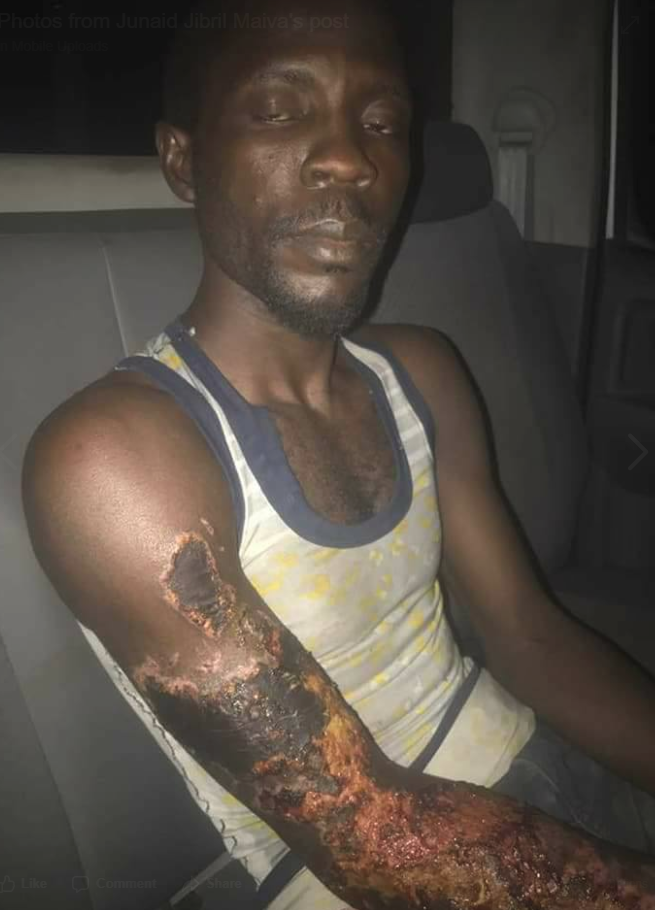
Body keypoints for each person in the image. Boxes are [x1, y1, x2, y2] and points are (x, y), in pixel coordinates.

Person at [21, 0, 655, 907]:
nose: (352, 159)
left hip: (530, 757)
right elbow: (368, 830)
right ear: (183, 161)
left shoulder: (422, 372)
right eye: (281, 110)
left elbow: (529, 635)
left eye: (383, 122)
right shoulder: (115, 459)